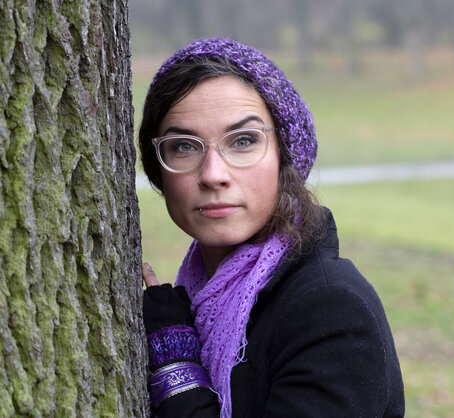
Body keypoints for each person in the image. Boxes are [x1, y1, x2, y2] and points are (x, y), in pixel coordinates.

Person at [138, 38, 404, 417]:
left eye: (243, 140)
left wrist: (176, 371)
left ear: (285, 158)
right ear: (160, 170)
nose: (213, 175)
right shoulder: (199, 297)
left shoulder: (333, 310)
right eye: (184, 146)